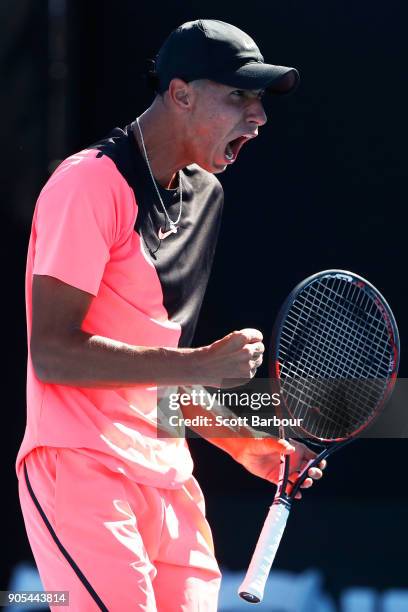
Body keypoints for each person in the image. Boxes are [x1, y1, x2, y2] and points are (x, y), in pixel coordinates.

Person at [17, 19, 326, 611]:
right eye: (239, 95)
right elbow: (52, 352)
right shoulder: (86, 185)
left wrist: (243, 443)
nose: (257, 115)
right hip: (82, 470)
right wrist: (202, 362)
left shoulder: (205, 198)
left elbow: (156, 377)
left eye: (259, 99)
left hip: (167, 478)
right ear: (180, 93)